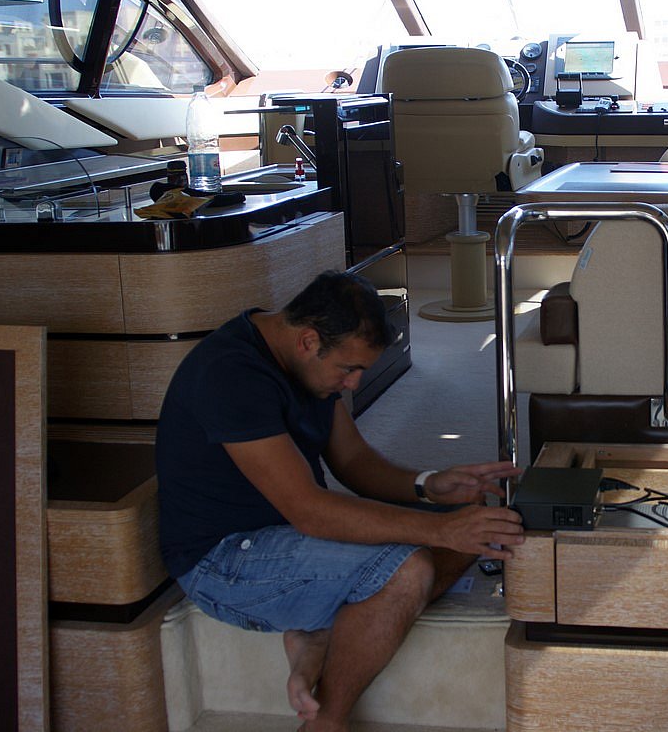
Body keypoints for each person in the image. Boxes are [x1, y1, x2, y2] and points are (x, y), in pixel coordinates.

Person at [156, 270, 523, 731]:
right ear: (309, 341)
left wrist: (429, 485)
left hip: (289, 535)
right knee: (410, 570)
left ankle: (321, 633)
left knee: (472, 520)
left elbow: (353, 461)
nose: (353, 384)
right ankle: (326, 720)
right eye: (349, 369)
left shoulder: (307, 366)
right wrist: (439, 529)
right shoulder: (231, 374)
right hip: (224, 560)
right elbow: (310, 512)